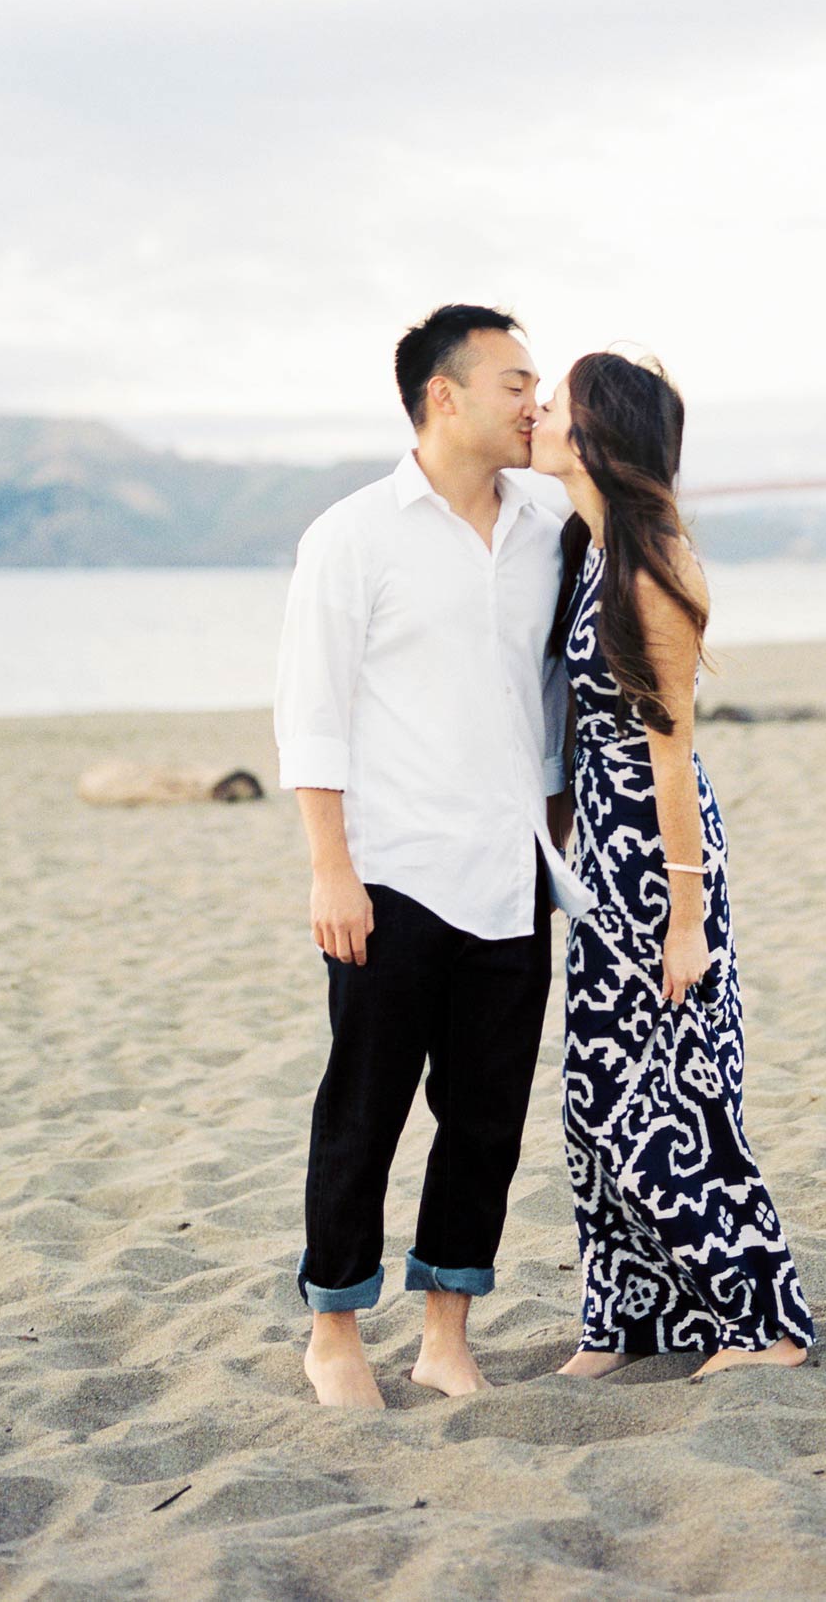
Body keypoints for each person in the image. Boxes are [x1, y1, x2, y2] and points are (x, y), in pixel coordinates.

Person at [274, 303, 581, 1409]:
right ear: (441, 395)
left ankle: (446, 1333)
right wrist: (329, 866)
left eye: (539, 385)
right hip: (392, 870)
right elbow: (310, 710)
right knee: (362, 1109)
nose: (533, 403)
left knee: (485, 1116)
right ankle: (335, 1331)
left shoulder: (550, 523)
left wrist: (552, 828)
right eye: (514, 382)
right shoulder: (353, 534)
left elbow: (552, 696)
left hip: (512, 871)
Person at [529, 350, 816, 1379]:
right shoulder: (584, 550)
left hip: (657, 860)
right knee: (594, 1093)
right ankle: (625, 1321)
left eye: (554, 401)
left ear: (596, 435)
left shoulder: (650, 570)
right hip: (603, 853)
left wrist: (684, 916)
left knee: (671, 1099)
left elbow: (670, 751)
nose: (537, 412)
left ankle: (766, 1323)